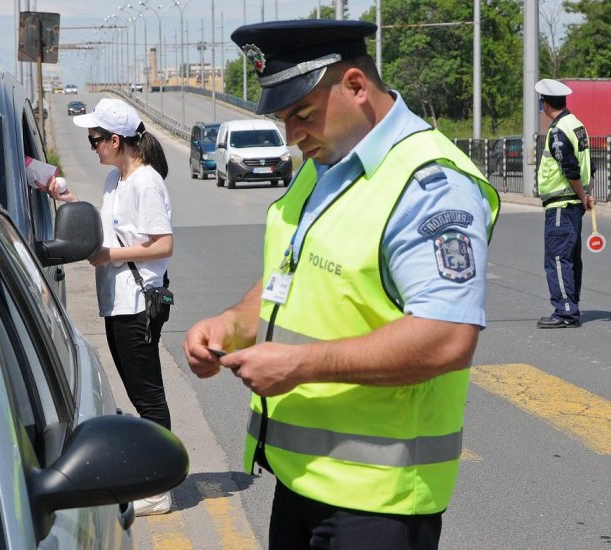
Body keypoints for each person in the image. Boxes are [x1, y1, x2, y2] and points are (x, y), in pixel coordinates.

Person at [183, 20, 500, 549]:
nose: (292, 136)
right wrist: (233, 324)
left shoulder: (429, 185)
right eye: (284, 119)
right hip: (301, 479)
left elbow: (448, 336)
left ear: (357, 86)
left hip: (379, 501)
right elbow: (292, 271)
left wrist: (298, 365)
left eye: (302, 114)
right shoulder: (324, 163)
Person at [69, 98, 174, 517]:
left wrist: (108, 256)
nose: (93, 147)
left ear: (116, 140)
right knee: (136, 391)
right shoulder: (117, 180)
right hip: (117, 300)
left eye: (95, 140)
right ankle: (150, 477)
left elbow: (163, 244)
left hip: (137, 302)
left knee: (148, 397)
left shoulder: (145, 182)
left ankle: (159, 488)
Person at [534, 78, 593, 329]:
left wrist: (582, 195)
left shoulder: (558, 130)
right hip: (572, 203)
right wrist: (586, 194)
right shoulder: (577, 125)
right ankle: (571, 304)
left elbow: (569, 167)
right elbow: (585, 163)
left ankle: (565, 311)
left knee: (558, 257)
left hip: (561, 203)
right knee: (569, 257)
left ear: (545, 104)